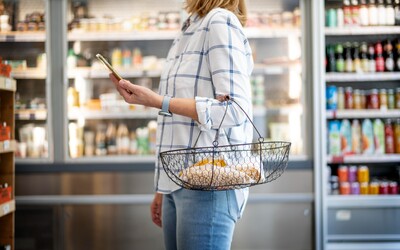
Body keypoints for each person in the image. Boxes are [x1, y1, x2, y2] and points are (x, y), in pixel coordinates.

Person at [109, 0, 254, 249]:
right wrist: (162, 188)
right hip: (177, 181)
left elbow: (235, 109)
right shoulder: (189, 28)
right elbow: (175, 125)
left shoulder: (220, 21)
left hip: (210, 183)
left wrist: (157, 101)